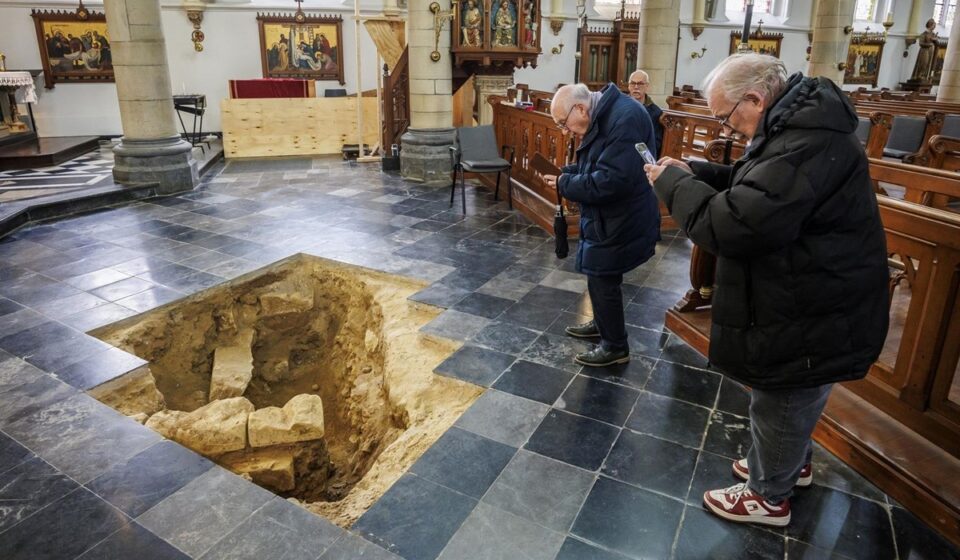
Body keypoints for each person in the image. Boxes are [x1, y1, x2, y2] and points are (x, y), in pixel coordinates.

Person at [644, 53, 889, 527]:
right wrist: (697, 171)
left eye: (726, 117)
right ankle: (788, 465)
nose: (727, 129)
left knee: (784, 396)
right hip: (813, 293)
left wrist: (673, 185)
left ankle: (768, 495)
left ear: (755, 99)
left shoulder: (805, 141)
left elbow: (734, 224)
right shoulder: (799, 128)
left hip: (814, 301)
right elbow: (758, 186)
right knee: (792, 398)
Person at [542, 83, 660, 367]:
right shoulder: (605, 113)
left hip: (622, 215)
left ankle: (615, 347)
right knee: (599, 273)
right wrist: (567, 173)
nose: (564, 131)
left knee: (602, 275)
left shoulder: (625, 118)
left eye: (563, 123)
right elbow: (599, 163)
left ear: (580, 108)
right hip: (607, 216)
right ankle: (602, 324)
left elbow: (613, 180)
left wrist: (565, 183)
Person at [627, 69, 663, 158]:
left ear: (647, 86)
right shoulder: (619, 105)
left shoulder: (655, 113)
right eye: (632, 83)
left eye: (640, 84)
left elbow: (655, 144)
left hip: (639, 156)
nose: (636, 87)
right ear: (628, 86)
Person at [911, 18, 938, 82]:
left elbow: (936, 43)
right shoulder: (924, 34)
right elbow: (921, 43)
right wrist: (929, 44)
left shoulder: (933, 34)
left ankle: (924, 76)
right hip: (924, 50)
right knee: (923, 63)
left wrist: (935, 40)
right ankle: (918, 75)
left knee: (928, 64)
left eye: (934, 26)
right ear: (929, 25)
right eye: (933, 25)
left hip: (931, 51)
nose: (934, 27)